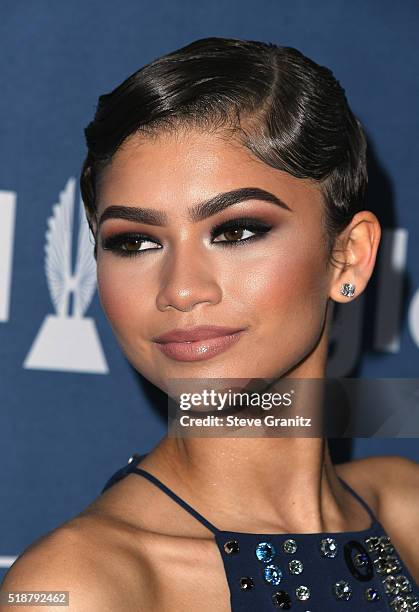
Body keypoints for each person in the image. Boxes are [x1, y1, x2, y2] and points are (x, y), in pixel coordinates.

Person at [1, 36, 418, 611]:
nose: (181, 289)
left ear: (348, 256)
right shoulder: (79, 586)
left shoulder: (406, 509)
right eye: (136, 242)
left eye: (236, 231)